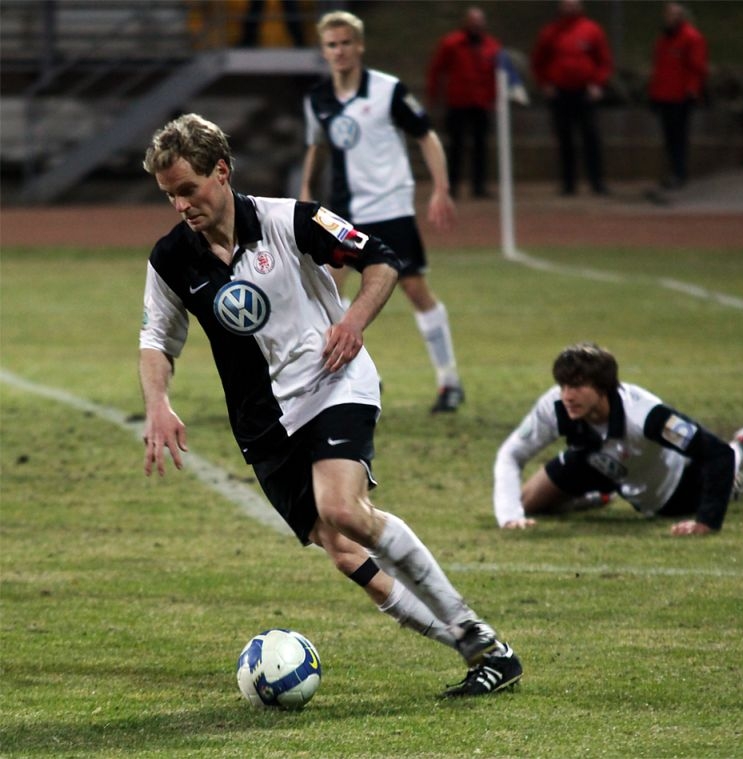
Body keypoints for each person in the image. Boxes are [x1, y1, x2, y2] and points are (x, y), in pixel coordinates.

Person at [138, 113, 522, 697]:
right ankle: (485, 652)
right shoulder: (171, 258)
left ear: (221, 172)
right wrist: (158, 403)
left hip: (332, 382)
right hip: (263, 423)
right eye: (169, 196)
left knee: (344, 510)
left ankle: (482, 640)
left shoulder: (292, 219)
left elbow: (383, 259)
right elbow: (156, 341)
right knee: (344, 553)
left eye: (187, 189)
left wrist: (353, 321)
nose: (180, 205)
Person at [299, 10, 465, 413]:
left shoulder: (388, 91)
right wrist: (306, 191)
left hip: (390, 208)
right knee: (325, 291)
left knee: (413, 289)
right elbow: (318, 147)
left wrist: (440, 188)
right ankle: (353, 375)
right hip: (342, 213)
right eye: (331, 45)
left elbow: (426, 136)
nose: (339, 51)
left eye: (345, 43)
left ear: (359, 46)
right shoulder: (317, 100)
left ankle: (449, 381)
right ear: (324, 51)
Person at [493, 342, 743, 535]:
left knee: (716, 471)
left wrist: (706, 523)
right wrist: (509, 516)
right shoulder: (556, 405)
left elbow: (714, 452)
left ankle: (738, 461)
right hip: (597, 462)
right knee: (526, 502)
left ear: (603, 387)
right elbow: (511, 454)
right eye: (563, 386)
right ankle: (596, 496)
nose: (567, 395)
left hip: (669, 488)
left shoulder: (647, 416)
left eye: (577, 386)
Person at [531, 0, 612, 196]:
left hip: (585, 93)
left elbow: (604, 61)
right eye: (566, 5)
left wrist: (597, 84)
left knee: (591, 137)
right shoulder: (550, 32)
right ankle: (568, 184)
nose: (570, 9)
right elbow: (538, 61)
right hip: (560, 94)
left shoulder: (592, 30)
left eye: (573, 5)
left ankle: (596, 182)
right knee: (564, 139)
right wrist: (545, 84)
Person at [426, 6, 502, 199]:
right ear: (466, 22)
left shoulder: (492, 46)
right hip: (458, 102)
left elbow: (497, 76)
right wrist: (433, 97)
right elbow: (437, 70)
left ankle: (479, 186)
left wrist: (495, 98)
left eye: (479, 21)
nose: (476, 25)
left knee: (480, 147)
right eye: (473, 21)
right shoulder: (451, 43)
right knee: (455, 147)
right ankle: (452, 186)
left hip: (481, 103)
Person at [648, 2, 708, 190]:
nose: (670, 19)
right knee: (669, 137)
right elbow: (659, 69)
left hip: (681, 97)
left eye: (674, 15)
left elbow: (697, 68)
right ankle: (673, 172)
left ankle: (679, 173)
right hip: (664, 95)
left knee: (679, 137)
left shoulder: (691, 38)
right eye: (668, 15)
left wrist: (692, 90)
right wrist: (654, 94)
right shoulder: (663, 40)